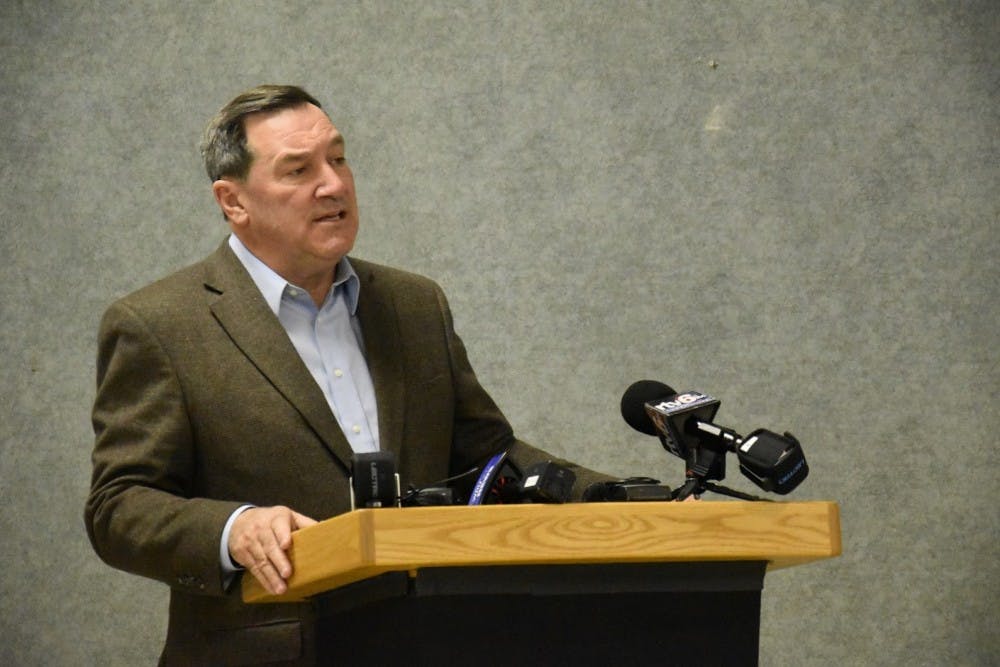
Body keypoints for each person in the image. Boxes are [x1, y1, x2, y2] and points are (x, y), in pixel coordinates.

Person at [85, 84, 608, 665]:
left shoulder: (413, 304)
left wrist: (621, 500)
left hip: (429, 639)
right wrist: (234, 529)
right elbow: (119, 506)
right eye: (298, 169)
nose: (333, 183)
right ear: (234, 202)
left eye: (337, 158)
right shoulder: (160, 324)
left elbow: (489, 457)